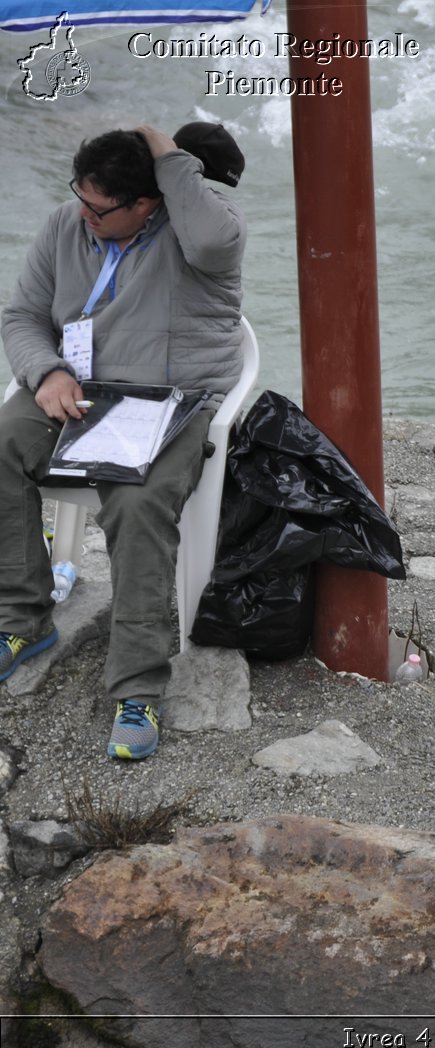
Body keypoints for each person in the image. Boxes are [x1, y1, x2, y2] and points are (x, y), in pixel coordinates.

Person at [0, 124, 246, 760]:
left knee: (136, 505)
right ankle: (23, 620)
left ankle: (137, 687)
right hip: (78, 391)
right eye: (80, 197)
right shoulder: (67, 222)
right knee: (0, 444)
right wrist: (46, 371)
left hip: (173, 404)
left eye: (101, 207)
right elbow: (23, 315)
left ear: (149, 201)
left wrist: (169, 154)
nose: (85, 214)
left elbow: (216, 238)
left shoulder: (202, 229)